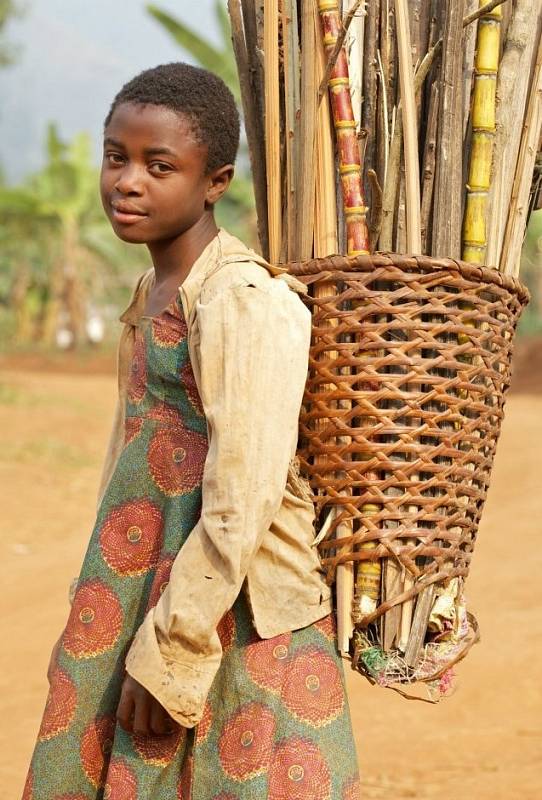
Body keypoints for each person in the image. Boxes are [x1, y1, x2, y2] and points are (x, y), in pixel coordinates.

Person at [22, 62, 359, 800]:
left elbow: (246, 491)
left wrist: (175, 641)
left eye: (159, 165)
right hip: (149, 584)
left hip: (228, 609)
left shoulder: (243, 297)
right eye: (117, 157)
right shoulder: (155, 291)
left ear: (217, 181)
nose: (128, 182)